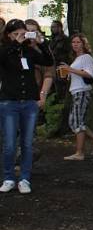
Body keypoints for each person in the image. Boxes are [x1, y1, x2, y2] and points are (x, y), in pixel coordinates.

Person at [0, 19, 54, 194]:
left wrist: (42, 43)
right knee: (9, 143)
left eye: (22, 33)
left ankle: (24, 178)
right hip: (10, 102)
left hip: (29, 101)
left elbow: (48, 61)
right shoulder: (5, 50)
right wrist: (16, 44)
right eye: (16, 34)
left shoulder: (29, 51)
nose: (20, 37)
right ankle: (8, 177)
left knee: (27, 143)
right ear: (8, 35)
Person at [60, 34, 93, 160]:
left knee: (76, 121)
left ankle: (81, 151)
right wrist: (67, 73)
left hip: (82, 91)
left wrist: (70, 70)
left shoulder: (86, 57)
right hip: (76, 91)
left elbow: (89, 74)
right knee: (76, 121)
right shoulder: (77, 58)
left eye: (78, 42)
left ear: (83, 44)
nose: (75, 44)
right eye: (73, 42)